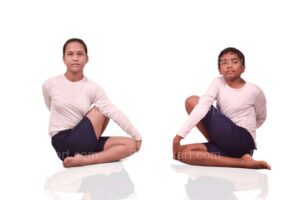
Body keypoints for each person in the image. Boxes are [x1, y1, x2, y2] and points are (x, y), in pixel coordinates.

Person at [42, 38, 142, 167]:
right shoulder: (50, 84)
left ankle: (85, 160)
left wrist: (136, 136)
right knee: (100, 110)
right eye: (70, 54)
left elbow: (114, 112)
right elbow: (50, 107)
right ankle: (84, 157)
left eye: (80, 54)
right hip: (62, 143)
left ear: (87, 59)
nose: (75, 58)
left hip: (84, 142)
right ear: (64, 59)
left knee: (130, 145)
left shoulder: (92, 87)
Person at [173, 47, 271, 169]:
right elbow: (203, 106)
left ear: (243, 68)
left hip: (243, 141)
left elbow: (261, 117)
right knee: (181, 154)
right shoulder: (218, 82)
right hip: (227, 144)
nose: (229, 66)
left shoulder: (254, 91)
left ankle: (241, 156)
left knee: (192, 101)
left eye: (234, 62)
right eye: (224, 63)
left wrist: (179, 136)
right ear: (219, 69)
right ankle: (242, 162)